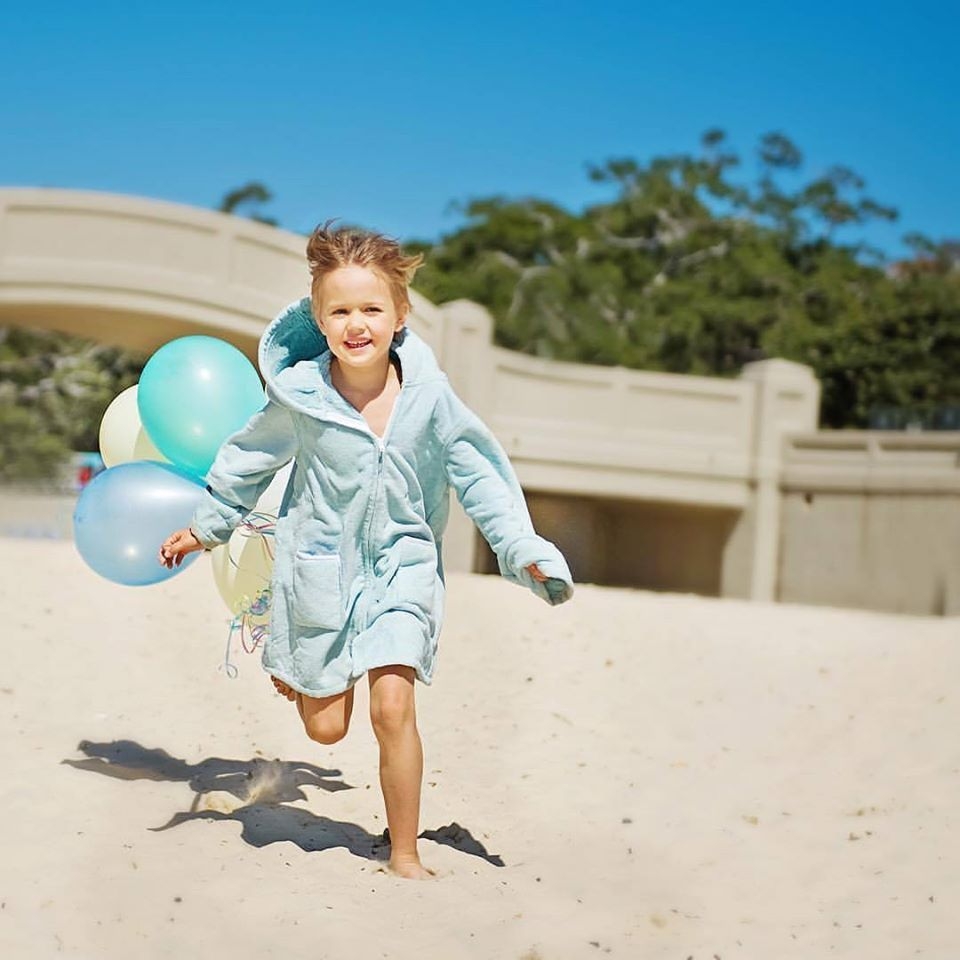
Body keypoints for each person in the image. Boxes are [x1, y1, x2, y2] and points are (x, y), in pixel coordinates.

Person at [158, 221, 573, 879]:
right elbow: (248, 459)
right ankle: (292, 657)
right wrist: (208, 526)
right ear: (318, 322)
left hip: (403, 567)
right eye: (340, 310)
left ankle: (403, 851)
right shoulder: (301, 398)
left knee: (392, 705)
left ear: (400, 315)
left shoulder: (431, 400)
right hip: (320, 567)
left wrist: (520, 547)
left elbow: (480, 473)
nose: (357, 324)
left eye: (371, 308)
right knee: (325, 730)